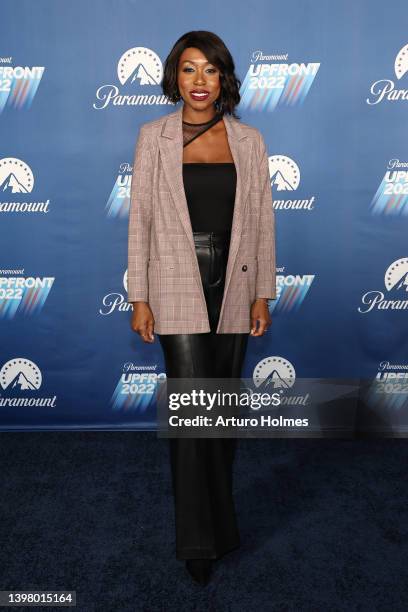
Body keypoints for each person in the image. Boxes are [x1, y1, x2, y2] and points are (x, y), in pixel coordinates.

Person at [127, 30, 276, 586]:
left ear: (224, 78)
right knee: (193, 415)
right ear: (175, 76)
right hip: (174, 280)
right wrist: (140, 297)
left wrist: (263, 291)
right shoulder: (152, 137)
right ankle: (196, 541)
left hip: (234, 285)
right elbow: (140, 218)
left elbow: (262, 222)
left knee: (221, 415)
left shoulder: (251, 141)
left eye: (210, 70)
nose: (198, 81)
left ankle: (222, 526)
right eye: (189, 69)